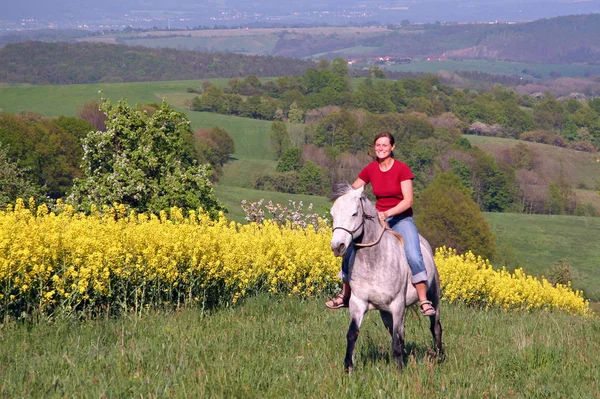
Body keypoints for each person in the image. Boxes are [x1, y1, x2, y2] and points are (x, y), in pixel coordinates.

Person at [325, 131, 435, 316]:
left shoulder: (402, 169)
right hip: (377, 219)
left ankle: (423, 299)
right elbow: (353, 191)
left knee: (414, 254)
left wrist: (388, 213)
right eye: (378, 145)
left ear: (392, 147)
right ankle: (345, 295)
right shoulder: (370, 169)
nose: (381, 148)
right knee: (350, 248)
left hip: (401, 219)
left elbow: (408, 201)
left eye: (385, 145)